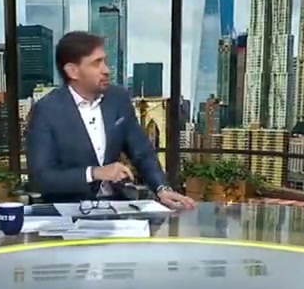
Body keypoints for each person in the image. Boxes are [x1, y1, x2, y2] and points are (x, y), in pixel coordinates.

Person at [25, 31, 196, 209]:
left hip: (116, 205)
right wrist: (94, 173)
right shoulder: (46, 111)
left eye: (104, 61)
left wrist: (162, 188)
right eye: (96, 63)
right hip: (69, 209)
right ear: (72, 71)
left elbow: (142, 152)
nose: (106, 70)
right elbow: (41, 178)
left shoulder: (118, 99)